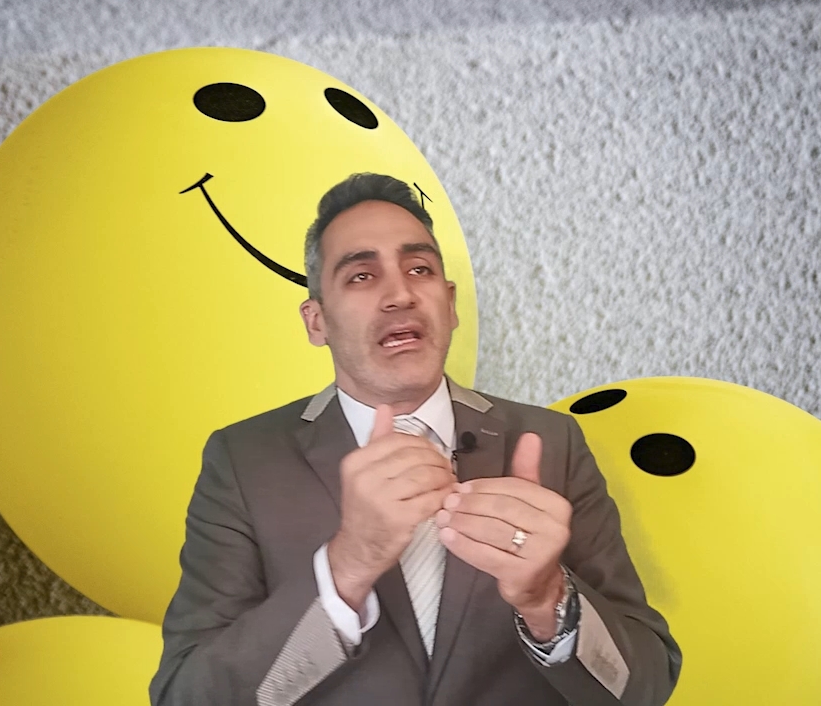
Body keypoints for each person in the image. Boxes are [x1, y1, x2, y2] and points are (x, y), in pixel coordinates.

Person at [150, 173, 681, 705]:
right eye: (361, 275)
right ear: (317, 322)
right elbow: (185, 697)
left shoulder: (551, 441)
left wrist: (549, 599)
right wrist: (346, 568)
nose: (400, 294)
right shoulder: (243, 460)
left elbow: (647, 686)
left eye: (419, 269)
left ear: (449, 304)